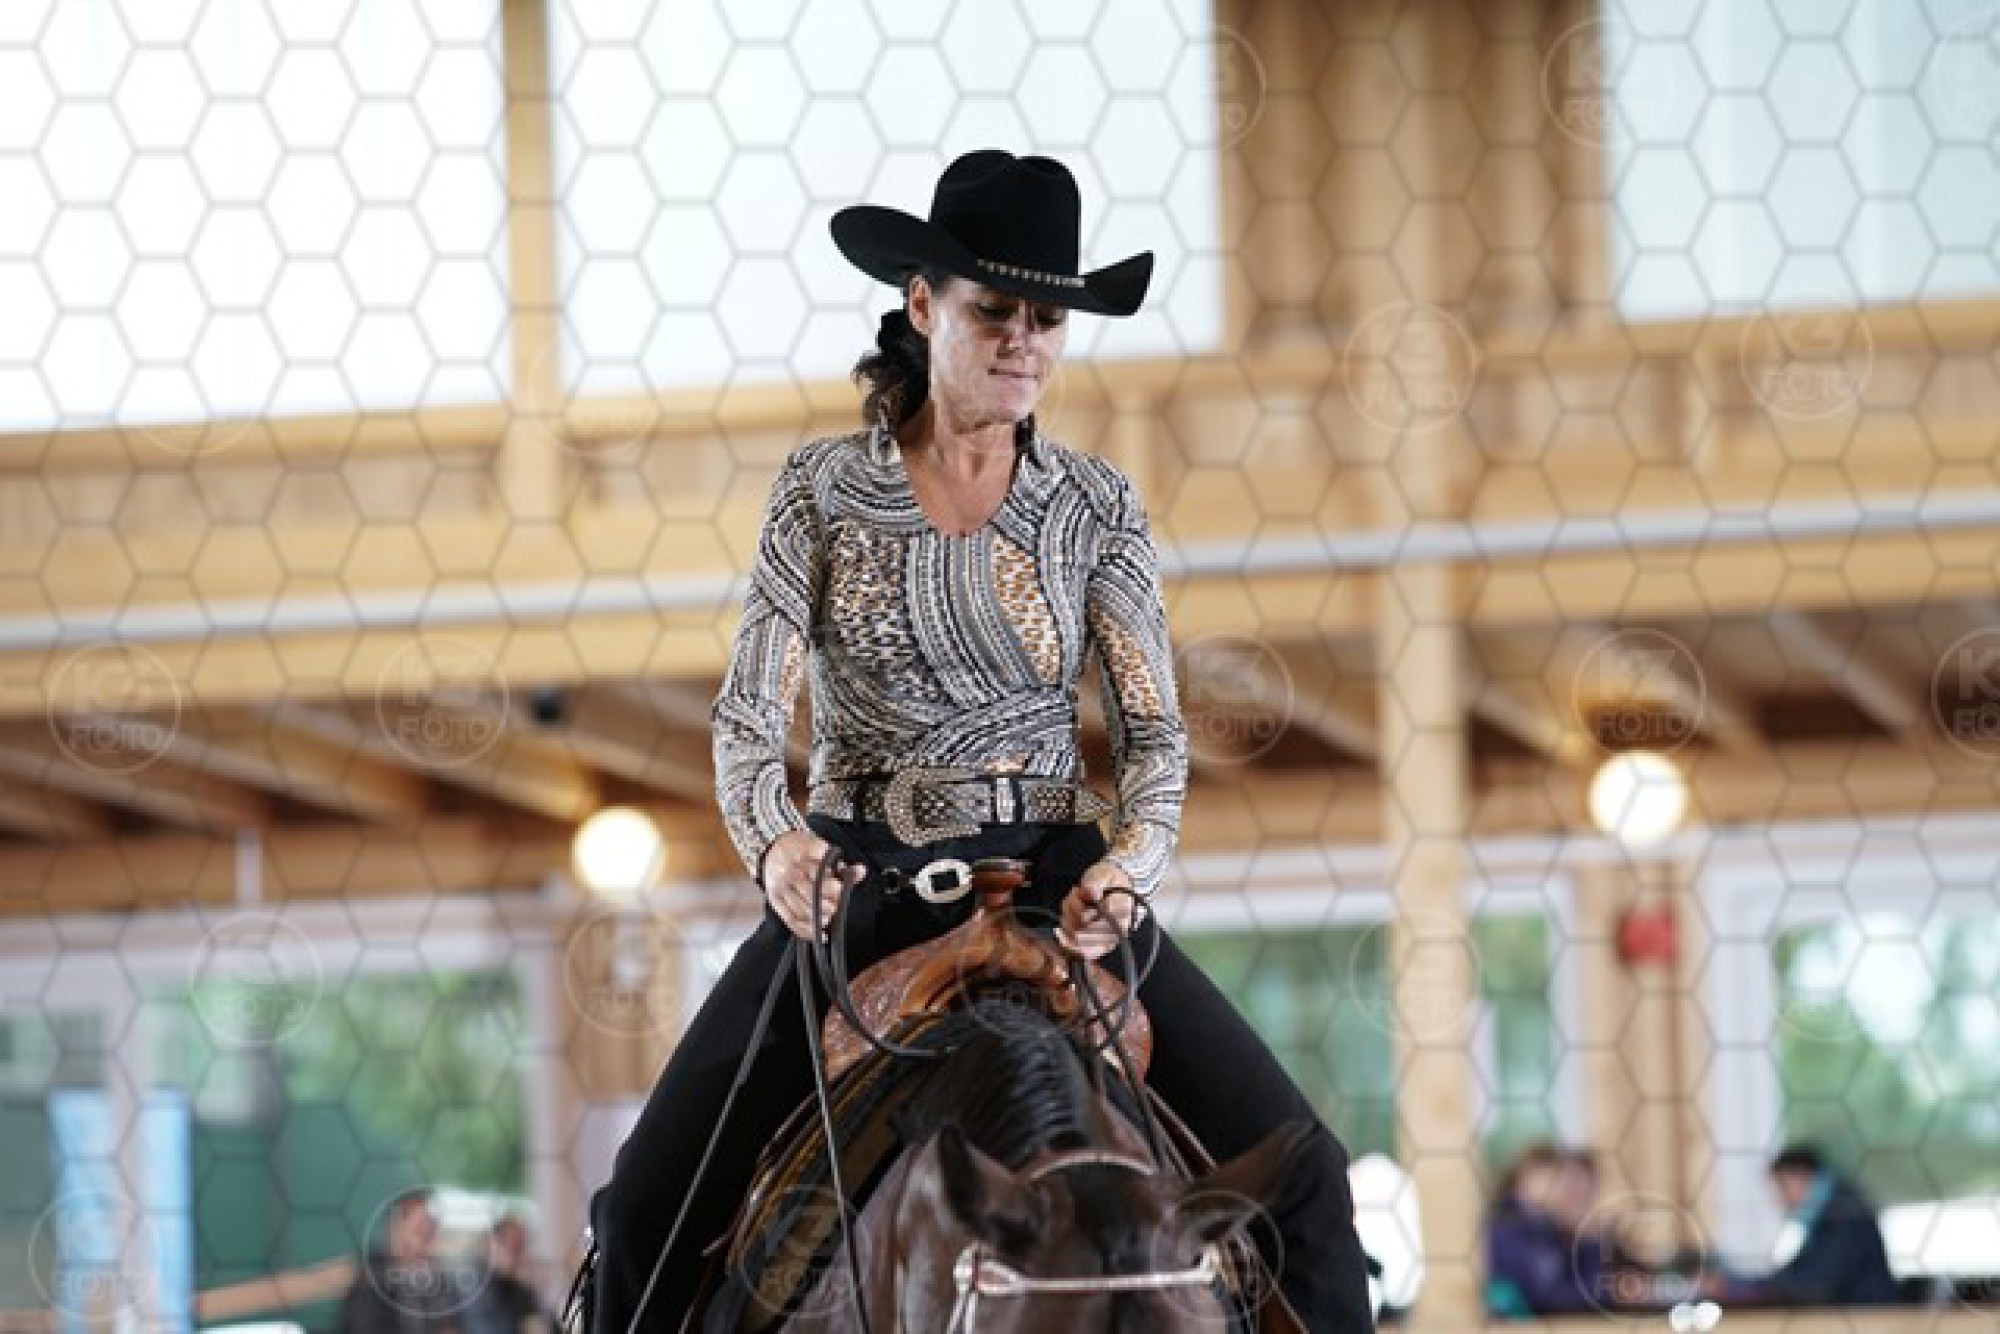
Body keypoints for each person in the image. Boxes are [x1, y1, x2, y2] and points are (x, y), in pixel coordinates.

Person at [589, 149, 1374, 1333]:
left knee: (1308, 1180)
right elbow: (749, 713)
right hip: (858, 888)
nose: (1021, 341)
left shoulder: (1096, 504)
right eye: (992, 311)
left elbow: (1153, 733)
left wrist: (1130, 865)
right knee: (644, 1204)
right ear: (921, 305)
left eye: (1045, 320)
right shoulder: (818, 489)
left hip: (1058, 884)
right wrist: (773, 845)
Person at [1710, 1145, 1903, 1308]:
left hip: (1873, 1321)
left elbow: (1817, 1284)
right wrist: (1740, 1284)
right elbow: (1800, 1271)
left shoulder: (1846, 1212)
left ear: (1801, 1175)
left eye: (1782, 1187)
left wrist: (1742, 1288)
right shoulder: (1829, 1212)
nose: (1779, 1200)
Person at [1486, 1143, 1605, 1317]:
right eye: (1553, 1177)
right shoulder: (1504, 1230)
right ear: (1526, 1178)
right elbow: (1545, 1298)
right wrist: (1590, 1242)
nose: (1561, 1188)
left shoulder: (1546, 1229)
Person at [341, 1188, 472, 1334]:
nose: (430, 1238)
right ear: (396, 1230)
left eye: (432, 1228)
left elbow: (449, 1321)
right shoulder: (371, 1278)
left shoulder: (435, 1277)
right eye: (421, 1230)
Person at [467, 1216, 552, 1334]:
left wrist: (538, 1290)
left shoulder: (517, 1286)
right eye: (515, 1248)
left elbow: (544, 1324)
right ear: (494, 1246)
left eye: (523, 1247)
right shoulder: (475, 1285)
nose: (522, 1256)